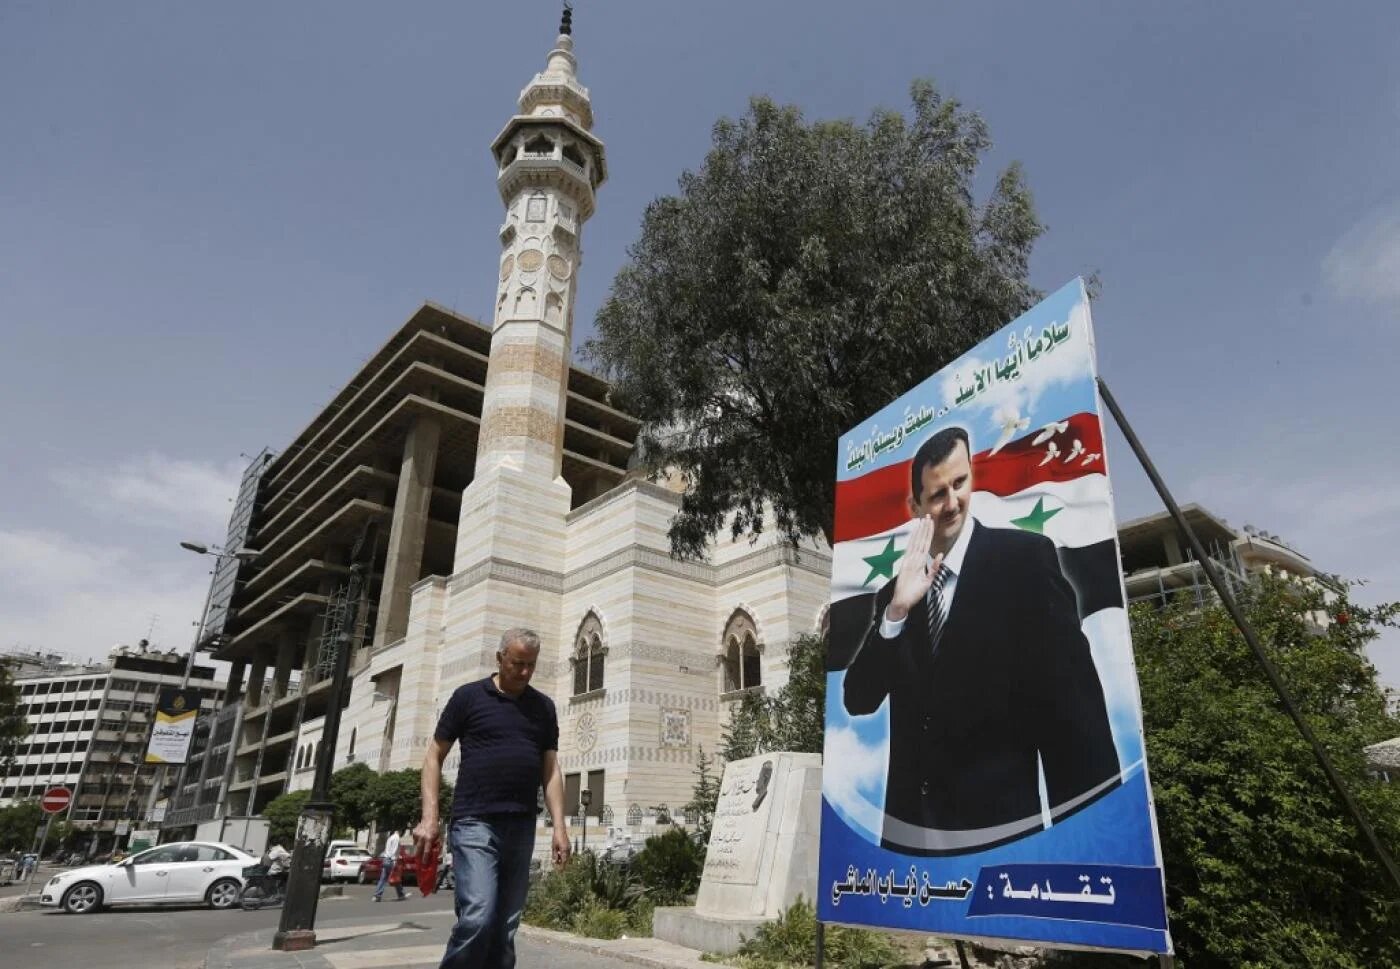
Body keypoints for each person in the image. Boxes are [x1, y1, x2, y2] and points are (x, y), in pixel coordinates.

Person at [843, 426, 1120, 855]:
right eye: (937, 494)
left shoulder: (1025, 562)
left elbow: (1074, 716)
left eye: (960, 483)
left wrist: (1091, 841)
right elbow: (857, 698)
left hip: (999, 843)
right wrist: (896, 613)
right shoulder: (893, 594)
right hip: (911, 854)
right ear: (916, 505)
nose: (952, 502)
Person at [416, 628, 569, 969]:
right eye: (518, 664)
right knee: (479, 916)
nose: (525, 672)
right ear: (499, 658)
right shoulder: (468, 698)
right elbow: (433, 757)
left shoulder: (543, 707)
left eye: (531, 665)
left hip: (521, 823)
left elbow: (551, 769)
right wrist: (430, 817)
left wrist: (559, 826)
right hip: (474, 821)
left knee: (504, 927)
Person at [373, 829, 406, 901]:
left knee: (383, 878)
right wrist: (394, 862)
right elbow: (394, 851)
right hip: (391, 860)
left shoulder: (390, 837)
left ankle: (377, 895)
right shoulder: (396, 838)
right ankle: (401, 894)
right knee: (395, 878)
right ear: (400, 831)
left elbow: (387, 850)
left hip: (386, 859)